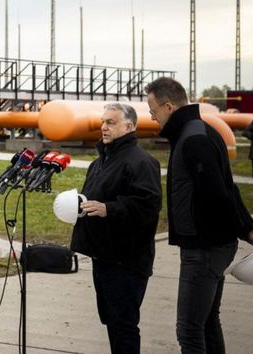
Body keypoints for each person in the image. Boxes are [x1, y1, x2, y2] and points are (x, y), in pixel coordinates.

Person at [145, 77, 253, 353]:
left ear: (169, 107)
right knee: (207, 322)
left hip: (204, 248)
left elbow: (218, 192)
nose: (152, 118)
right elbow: (227, 184)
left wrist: (243, 227)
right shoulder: (200, 130)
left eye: (153, 111)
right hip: (210, 245)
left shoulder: (193, 138)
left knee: (189, 329)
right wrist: (245, 226)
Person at [70, 103, 162, 353]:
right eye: (103, 121)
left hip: (127, 261)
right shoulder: (101, 161)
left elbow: (148, 207)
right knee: (112, 321)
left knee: (124, 325)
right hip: (104, 256)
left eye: (110, 122)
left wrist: (109, 208)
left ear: (129, 126)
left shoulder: (142, 162)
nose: (103, 127)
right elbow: (94, 198)